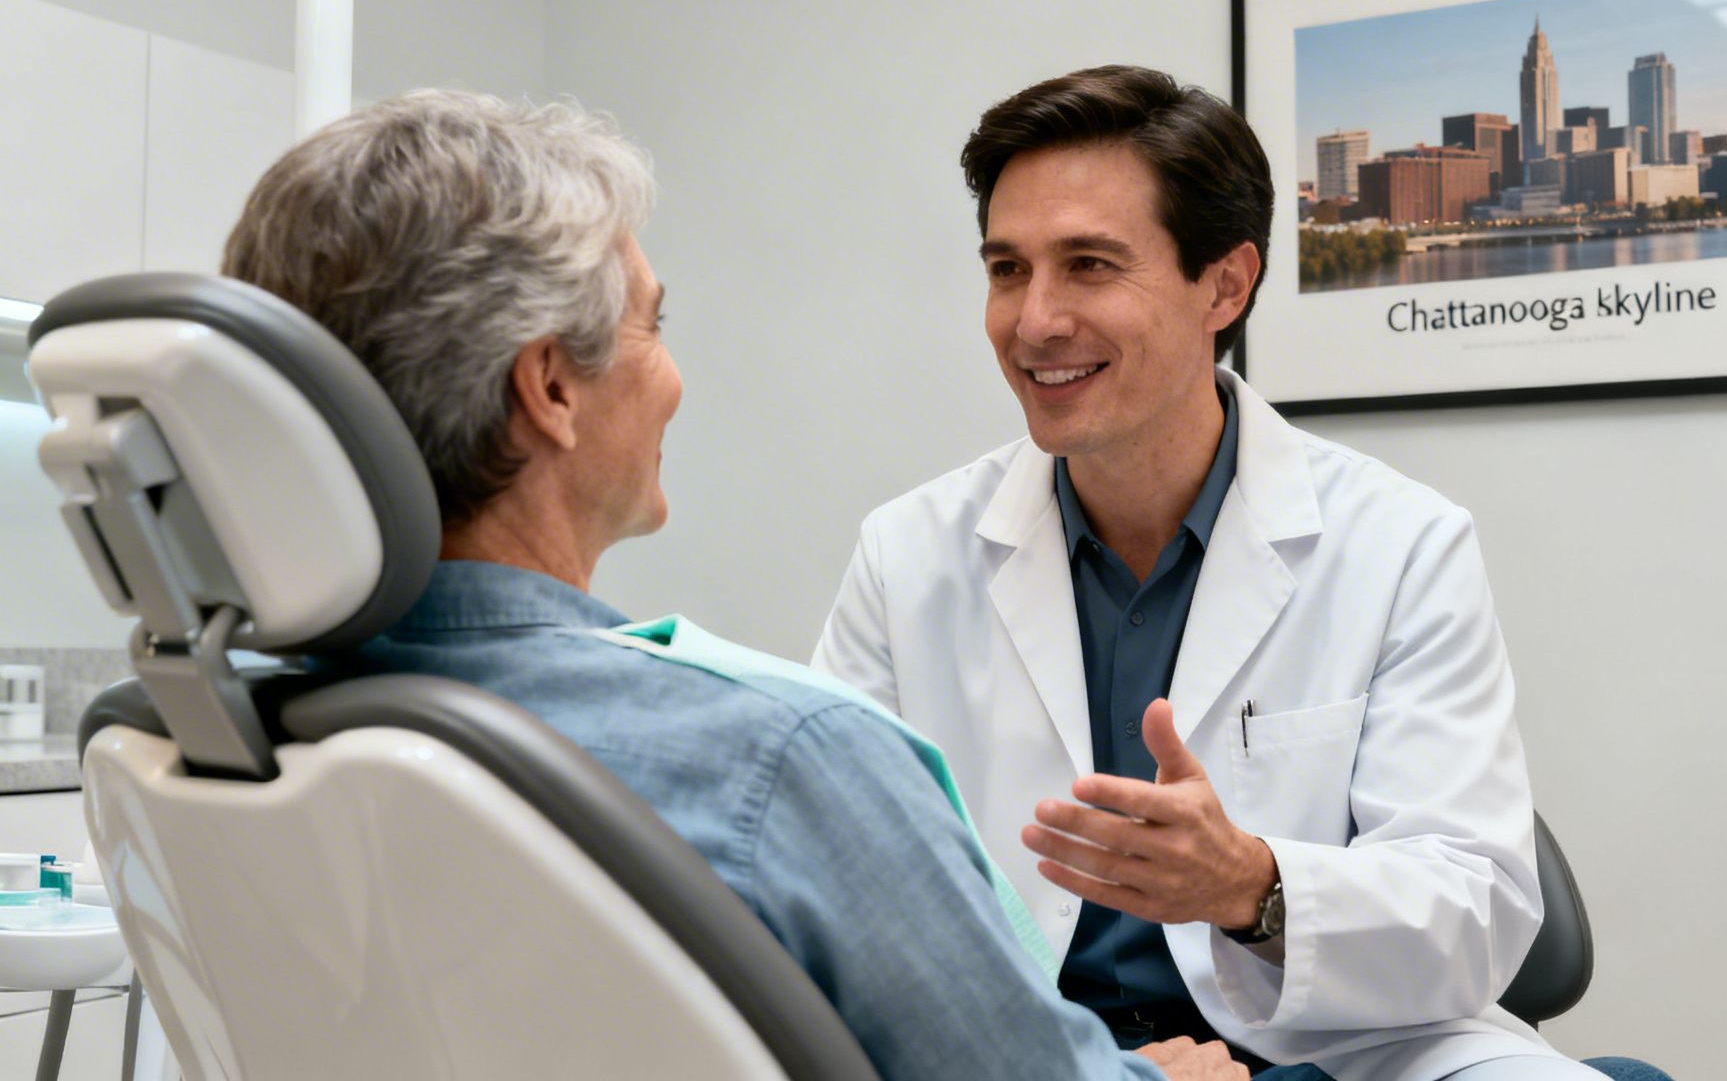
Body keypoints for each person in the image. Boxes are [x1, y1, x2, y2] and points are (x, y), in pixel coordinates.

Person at [218, 88, 1245, 1081]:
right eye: (652, 326)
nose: (1034, 322)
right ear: (550, 388)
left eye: (1089, 266)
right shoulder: (781, 761)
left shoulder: (236, 733)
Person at [812, 66, 1611, 1080]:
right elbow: (840, 890)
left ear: (1223, 286)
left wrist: (1250, 882)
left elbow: (1475, 913)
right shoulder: (907, 555)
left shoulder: (1400, 543)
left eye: (1089, 265)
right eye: (1007, 269)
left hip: (1341, 1051)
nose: (1033, 321)